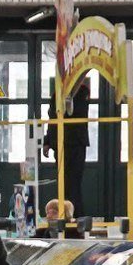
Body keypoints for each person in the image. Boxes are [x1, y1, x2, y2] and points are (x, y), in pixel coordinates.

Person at [43, 78, 90, 217]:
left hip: (75, 143)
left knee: (74, 183)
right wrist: (47, 141)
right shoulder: (56, 95)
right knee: (63, 183)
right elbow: (52, 118)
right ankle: (64, 215)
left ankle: (76, 217)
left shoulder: (82, 92)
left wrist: (68, 100)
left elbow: (76, 112)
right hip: (60, 144)